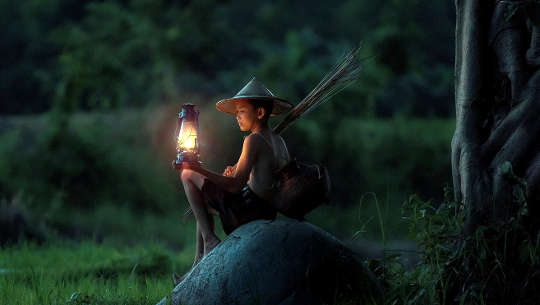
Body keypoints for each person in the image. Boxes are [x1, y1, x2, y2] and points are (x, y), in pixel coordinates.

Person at [172, 77, 293, 286]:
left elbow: (235, 185)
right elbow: (257, 179)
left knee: (186, 175)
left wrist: (197, 168)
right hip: (265, 209)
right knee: (203, 203)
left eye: (242, 111)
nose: (237, 117)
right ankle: (198, 262)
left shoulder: (253, 140)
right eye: (236, 112)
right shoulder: (278, 141)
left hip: (249, 211)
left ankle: (210, 241)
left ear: (260, 113)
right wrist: (231, 173)